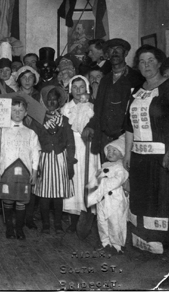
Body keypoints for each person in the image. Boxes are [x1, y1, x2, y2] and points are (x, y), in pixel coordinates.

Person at [124, 45, 169, 254]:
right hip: (139, 157)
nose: (146, 65)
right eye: (141, 61)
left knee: (161, 200)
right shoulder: (137, 91)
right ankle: (142, 241)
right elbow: (129, 125)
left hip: (161, 158)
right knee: (141, 198)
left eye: (150, 60)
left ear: (159, 62)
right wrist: (128, 153)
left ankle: (164, 244)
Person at [82, 38, 144, 163]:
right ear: (107, 55)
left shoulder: (136, 78)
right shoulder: (105, 80)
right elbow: (98, 108)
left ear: (125, 53)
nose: (114, 52)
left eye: (118, 49)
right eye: (111, 50)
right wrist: (90, 126)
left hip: (125, 139)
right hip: (105, 139)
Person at [0, 97, 40, 239]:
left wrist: (34, 171)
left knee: (21, 200)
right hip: (6, 170)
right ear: (9, 112)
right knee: (7, 199)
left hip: (24, 171)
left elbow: (35, 153)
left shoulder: (31, 133)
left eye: (20, 110)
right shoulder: (2, 132)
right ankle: (9, 228)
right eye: (14, 110)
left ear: (26, 113)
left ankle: (19, 228)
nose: (17, 113)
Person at [33, 85, 75, 234]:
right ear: (44, 102)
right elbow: (33, 141)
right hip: (44, 158)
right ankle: (45, 224)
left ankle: (57, 224)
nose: (51, 103)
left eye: (54, 100)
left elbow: (70, 142)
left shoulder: (64, 120)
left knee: (58, 195)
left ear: (59, 102)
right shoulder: (38, 120)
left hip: (60, 159)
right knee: (44, 195)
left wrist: (70, 163)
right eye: (48, 100)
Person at [61, 76, 99, 232]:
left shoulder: (93, 106)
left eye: (81, 87)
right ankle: (74, 219)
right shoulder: (66, 108)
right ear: (70, 90)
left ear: (87, 88)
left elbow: (96, 125)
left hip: (89, 147)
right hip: (73, 146)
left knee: (89, 179)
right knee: (74, 181)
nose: (78, 91)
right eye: (74, 87)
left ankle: (90, 216)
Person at [88, 135, 129, 255]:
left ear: (122, 153)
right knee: (102, 221)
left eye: (114, 150)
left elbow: (118, 179)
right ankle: (105, 243)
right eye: (109, 150)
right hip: (102, 200)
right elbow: (96, 179)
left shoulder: (122, 167)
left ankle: (117, 245)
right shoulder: (104, 165)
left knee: (115, 223)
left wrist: (103, 185)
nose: (110, 153)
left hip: (115, 200)